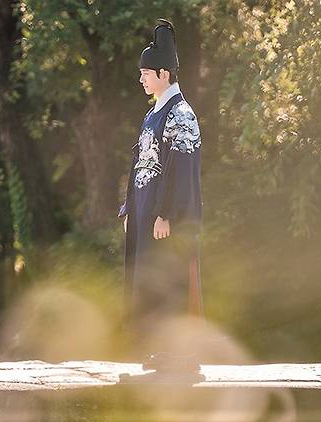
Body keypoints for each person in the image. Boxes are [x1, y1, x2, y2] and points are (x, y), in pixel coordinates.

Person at [119, 19, 204, 372]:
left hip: (166, 217)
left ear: (164, 73)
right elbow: (141, 161)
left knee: (169, 278)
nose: (141, 79)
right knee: (149, 280)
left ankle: (180, 353)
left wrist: (167, 213)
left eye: (145, 73)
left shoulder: (181, 115)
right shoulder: (152, 113)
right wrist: (130, 209)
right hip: (146, 212)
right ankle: (158, 348)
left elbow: (182, 171)